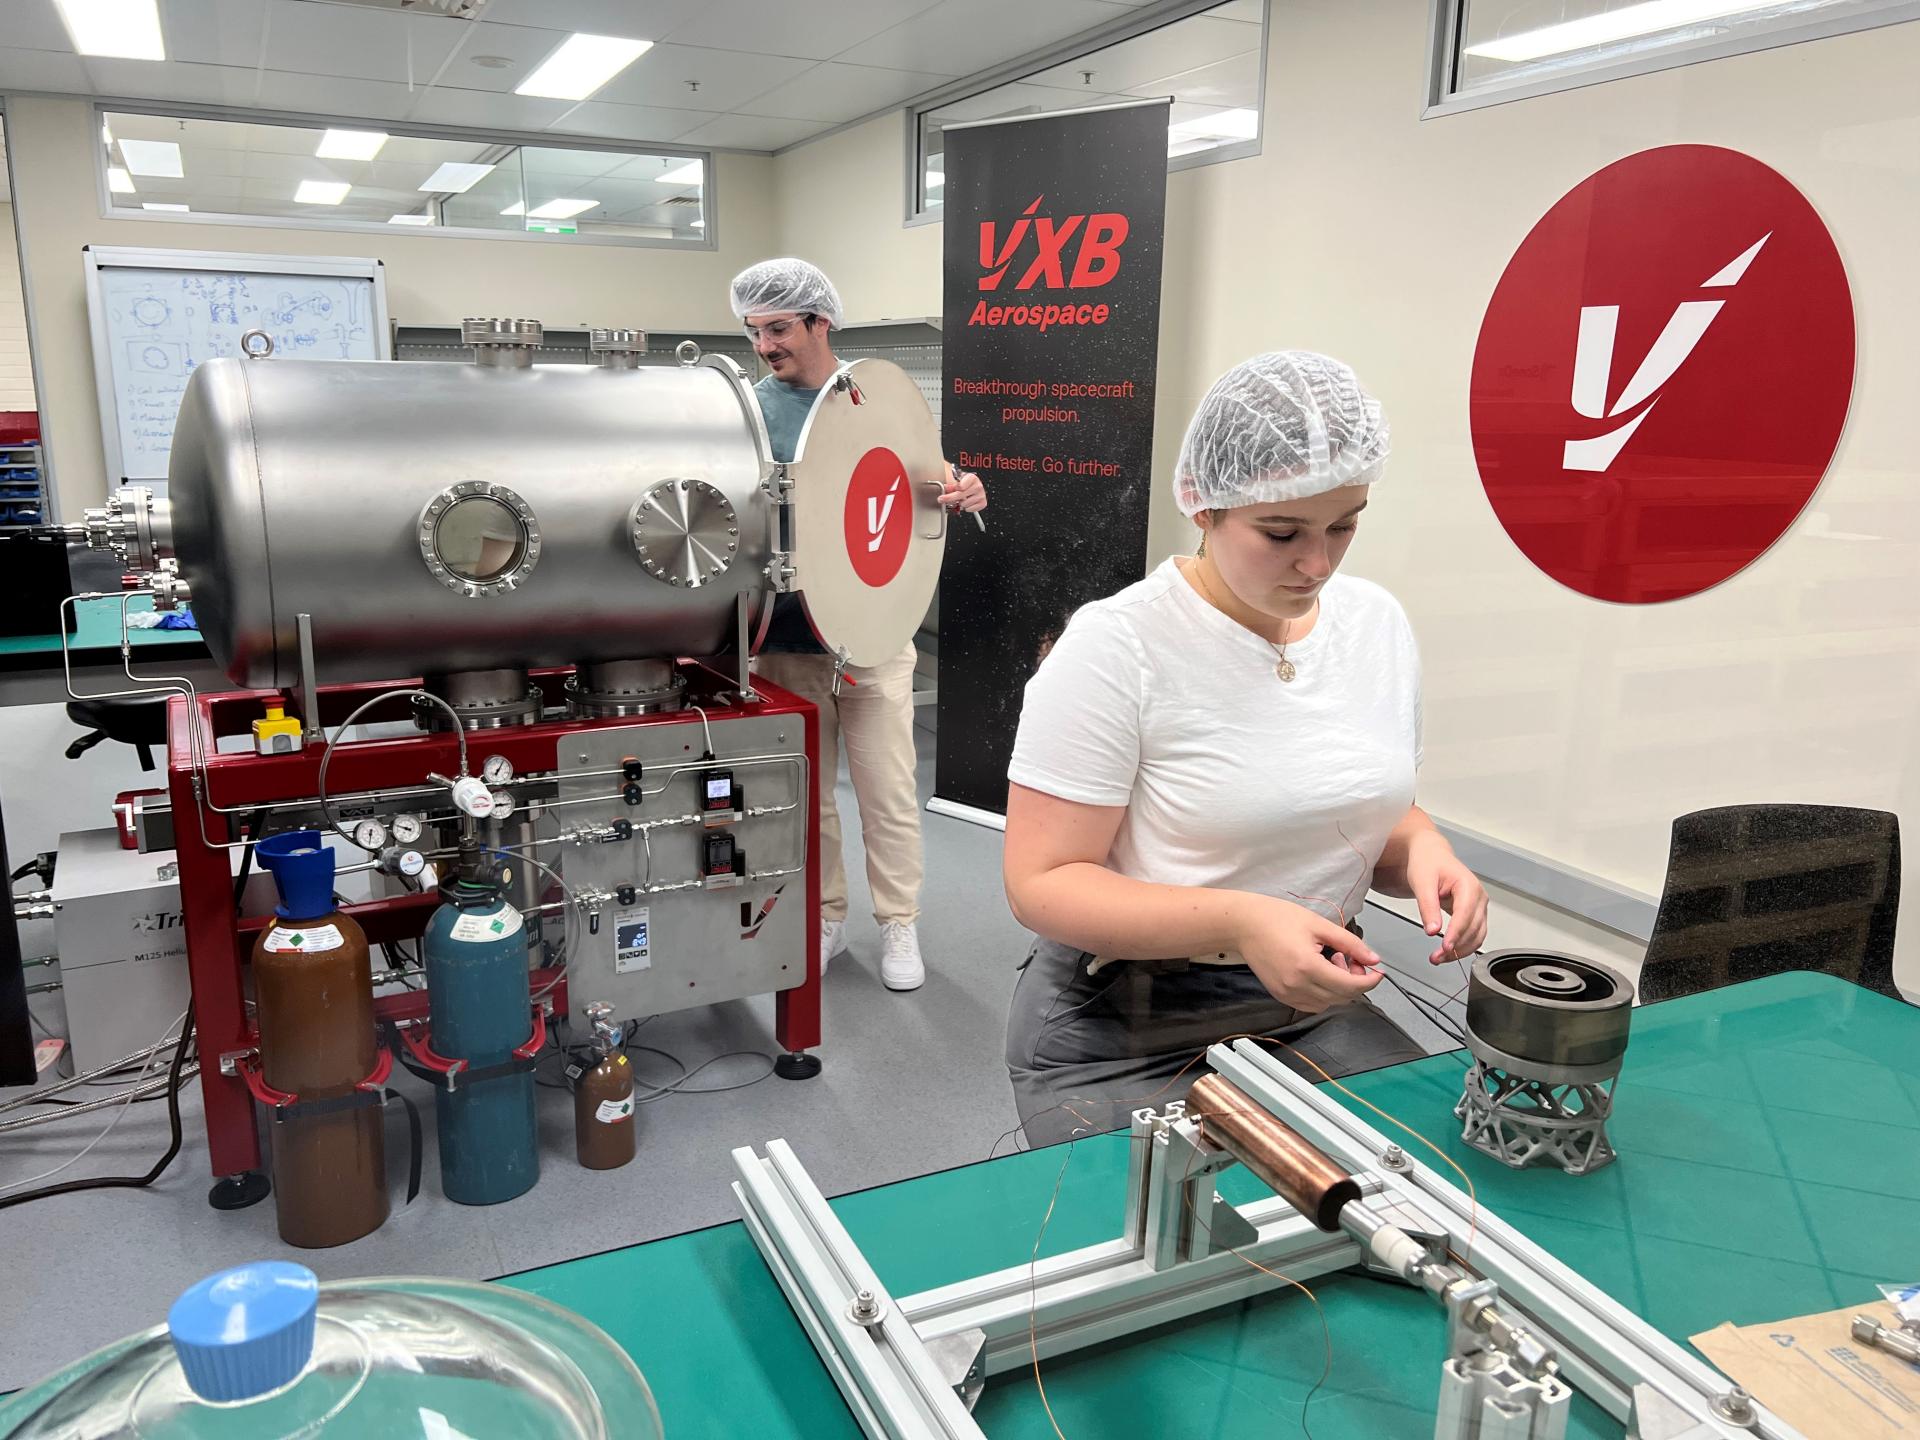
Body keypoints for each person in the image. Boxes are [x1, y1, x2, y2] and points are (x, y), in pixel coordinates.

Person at [1000, 350, 1490, 1146]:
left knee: (1416, 1193)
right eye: (1281, 532)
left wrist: (1424, 848)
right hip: (1123, 1028)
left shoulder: (1375, 625)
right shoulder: (1119, 648)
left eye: (1345, 524)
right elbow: (1043, 884)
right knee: (1187, 1250)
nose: (1319, 562)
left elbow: (1356, 806)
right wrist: (1243, 919)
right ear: (1203, 505)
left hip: (1309, 1005)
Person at [729, 258, 987, 992]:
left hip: (873, 638)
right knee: (807, 801)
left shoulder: (877, 399)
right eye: (755, 331)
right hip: (785, 641)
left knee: (888, 793)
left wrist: (964, 487)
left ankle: (899, 923)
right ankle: (826, 917)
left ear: (820, 321)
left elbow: (929, 482)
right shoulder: (749, 411)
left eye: (779, 328)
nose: (766, 345)